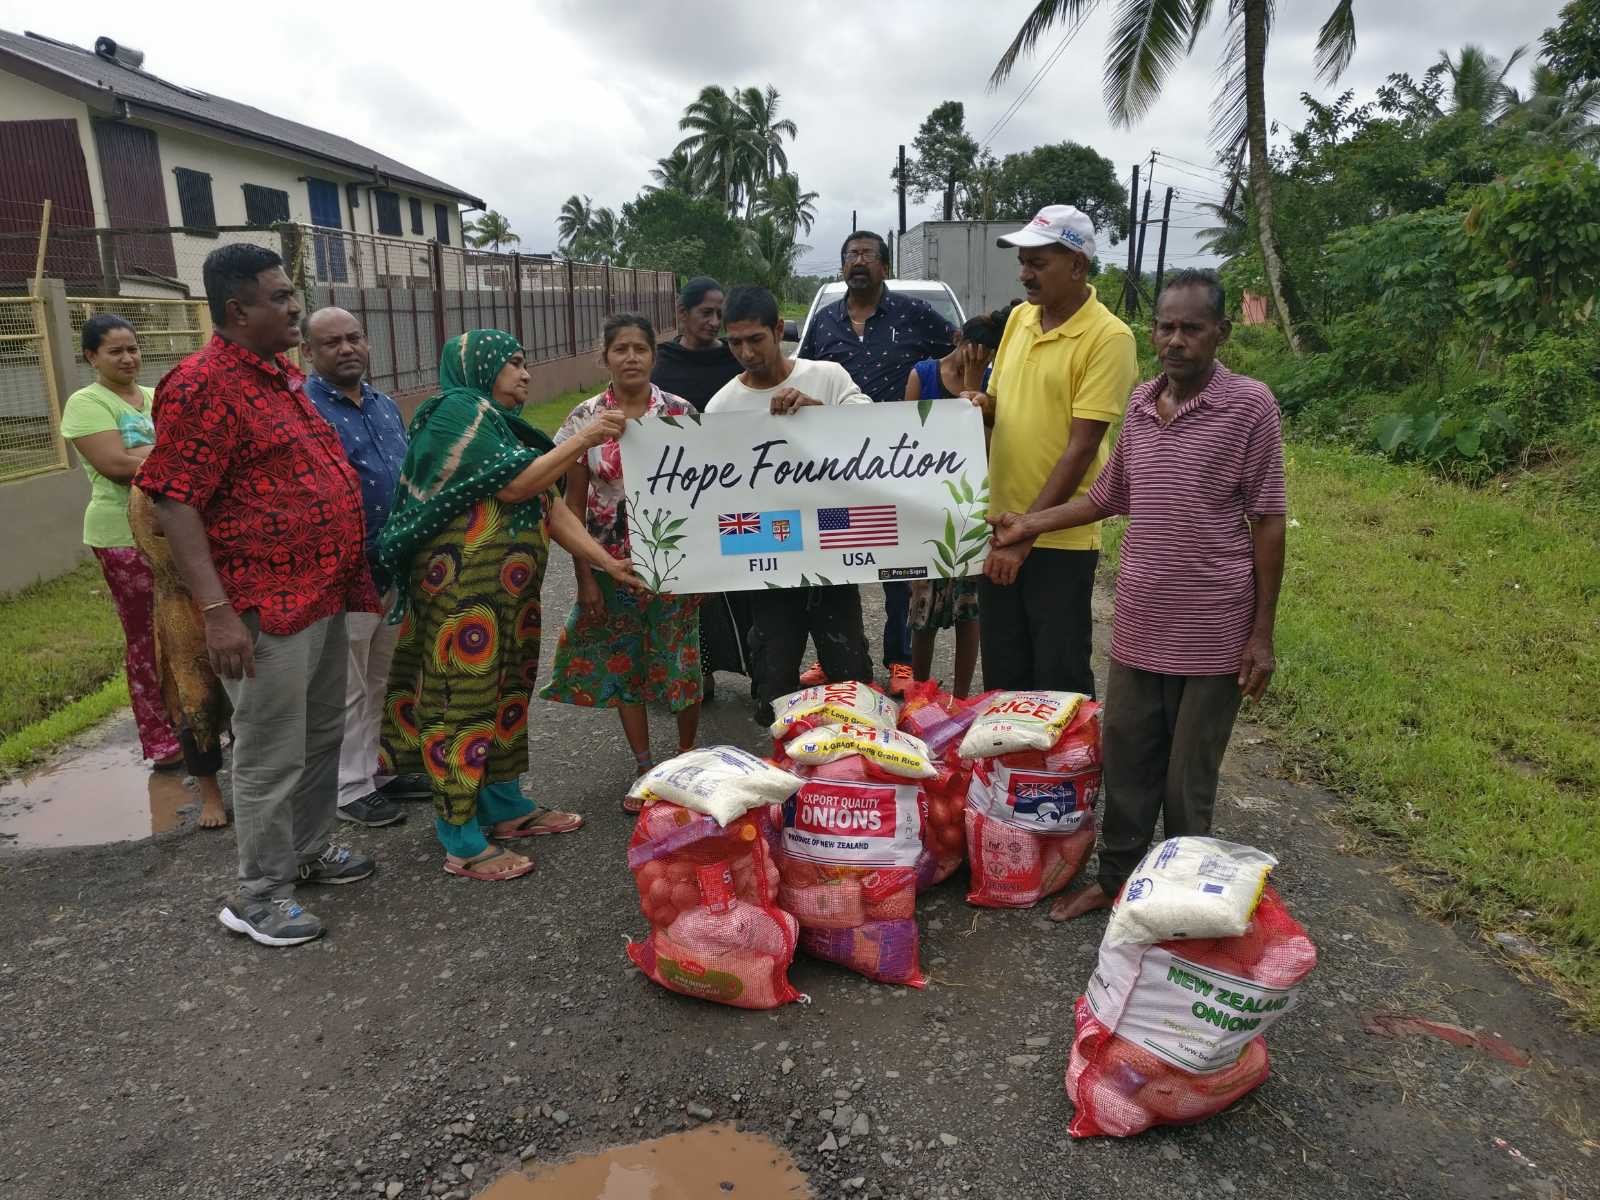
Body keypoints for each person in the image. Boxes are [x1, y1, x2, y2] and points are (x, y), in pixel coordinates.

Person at [988, 269, 1286, 922]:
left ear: (1220, 333)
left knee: (1186, 783)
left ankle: (1177, 907)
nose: (1175, 341)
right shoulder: (1145, 404)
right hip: (1139, 625)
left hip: (1212, 632)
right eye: (1166, 327)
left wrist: (1261, 636)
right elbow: (1108, 496)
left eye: (1192, 328)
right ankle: (1118, 882)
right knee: (1126, 763)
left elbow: (1267, 521)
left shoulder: (1251, 407)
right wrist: (1028, 524)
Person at [138, 243, 378, 948]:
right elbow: (174, 500)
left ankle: (305, 852)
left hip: (319, 592)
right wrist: (216, 613)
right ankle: (259, 893)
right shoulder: (201, 384)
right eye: (279, 297)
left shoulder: (276, 373)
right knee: (272, 750)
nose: (294, 305)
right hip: (260, 606)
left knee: (319, 736)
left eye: (290, 292)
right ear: (237, 310)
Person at [377, 329, 642, 881]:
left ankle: (502, 805)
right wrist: (586, 437)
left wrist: (607, 562)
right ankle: (460, 836)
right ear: (481, 369)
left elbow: (552, 507)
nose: (525, 372)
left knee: (507, 693)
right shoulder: (454, 412)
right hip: (463, 600)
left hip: (508, 598)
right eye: (514, 363)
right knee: (462, 700)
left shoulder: (499, 428)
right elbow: (518, 487)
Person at [971, 205, 1139, 697]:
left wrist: (1027, 535)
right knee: (1004, 672)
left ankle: (1069, 775)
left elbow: (1081, 448)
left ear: (1078, 266)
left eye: (1038, 263)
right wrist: (978, 405)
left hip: (1058, 537)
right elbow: (1001, 405)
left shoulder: (1109, 338)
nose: (1025, 275)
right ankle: (1012, 776)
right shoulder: (1021, 319)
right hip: (998, 524)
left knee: (1058, 675)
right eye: (1023, 262)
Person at [542, 314, 703, 806]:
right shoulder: (583, 419)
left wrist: (709, 569)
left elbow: (706, 492)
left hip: (674, 561)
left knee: (681, 662)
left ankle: (687, 760)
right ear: (605, 358)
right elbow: (572, 506)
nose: (631, 357)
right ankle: (645, 766)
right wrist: (585, 578)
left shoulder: (680, 412)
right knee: (626, 664)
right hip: (611, 562)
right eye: (620, 349)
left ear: (655, 356)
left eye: (640, 348)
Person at [797, 230, 957, 696]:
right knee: (834, 558)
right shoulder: (824, 322)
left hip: (899, 461)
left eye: (867, 254)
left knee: (899, 563)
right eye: (850, 255)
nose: (858, 261)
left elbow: (954, 358)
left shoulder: (915, 315)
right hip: (834, 464)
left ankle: (900, 661)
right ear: (842, 267)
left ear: (885, 266)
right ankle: (836, 659)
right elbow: (800, 373)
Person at [706, 285, 875, 725]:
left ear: (779, 329)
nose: (745, 352)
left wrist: (819, 412)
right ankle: (786, 777)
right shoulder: (722, 405)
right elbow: (715, 492)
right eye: (735, 342)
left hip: (835, 543)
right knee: (773, 681)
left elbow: (877, 433)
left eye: (755, 339)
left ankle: (850, 771)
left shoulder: (828, 376)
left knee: (849, 671)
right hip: (767, 555)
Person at [302, 306, 426, 830]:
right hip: (345, 574)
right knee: (346, 685)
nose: (346, 348)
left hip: (392, 566)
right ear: (309, 353)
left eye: (354, 338)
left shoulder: (383, 404)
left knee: (378, 679)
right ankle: (347, 789)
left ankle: (372, 771)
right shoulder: (305, 408)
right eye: (332, 342)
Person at [59, 315, 182, 769]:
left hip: (173, 531)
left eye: (133, 348)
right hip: (121, 537)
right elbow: (114, 463)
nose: (128, 358)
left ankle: (193, 723)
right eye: (116, 351)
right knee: (146, 636)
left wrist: (153, 456)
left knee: (186, 631)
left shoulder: (153, 397)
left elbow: (181, 448)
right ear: (92, 356)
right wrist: (172, 459)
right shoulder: (86, 403)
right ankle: (159, 738)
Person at [901, 306, 1013, 698]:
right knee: (923, 608)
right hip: (928, 505)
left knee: (969, 609)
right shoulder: (924, 375)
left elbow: (983, 451)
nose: (976, 359)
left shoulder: (993, 386)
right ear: (956, 340)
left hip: (972, 508)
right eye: (971, 350)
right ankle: (920, 690)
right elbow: (904, 442)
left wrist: (974, 386)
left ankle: (962, 696)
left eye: (985, 355)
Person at [649, 276, 750, 699]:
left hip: (737, 488)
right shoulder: (661, 363)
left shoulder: (735, 361)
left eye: (718, 314)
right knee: (693, 588)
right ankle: (697, 673)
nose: (714, 322)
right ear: (682, 313)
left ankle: (759, 672)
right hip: (681, 495)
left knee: (744, 583)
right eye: (705, 313)